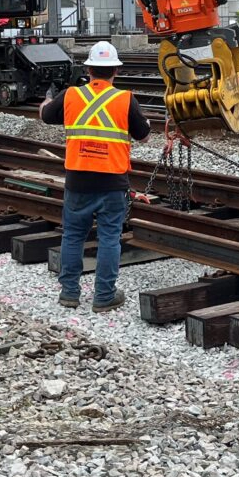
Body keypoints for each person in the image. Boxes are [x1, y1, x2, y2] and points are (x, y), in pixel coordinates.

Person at [38, 41, 151, 312]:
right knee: (109, 238)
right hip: (112, 182)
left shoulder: (70, 95)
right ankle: (103, 296)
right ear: (115, 72)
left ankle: (70, 293)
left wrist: (46, 101)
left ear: (88, 69)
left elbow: (46, 115)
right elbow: (144, 135)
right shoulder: (125, 99)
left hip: (78, 181)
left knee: (73, 236)